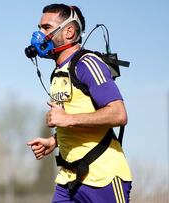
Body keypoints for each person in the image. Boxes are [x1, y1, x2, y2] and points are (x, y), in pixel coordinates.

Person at [26, 4, 132, 202]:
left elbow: (119, 114)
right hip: (69, 180)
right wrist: (54, 141)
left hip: (103, 179)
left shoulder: (87, 64)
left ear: (69, 31)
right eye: (39, 27)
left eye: (46, 28)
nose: (39, 34)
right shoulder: (57, 74)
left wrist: (68, 119)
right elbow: (78, 116)